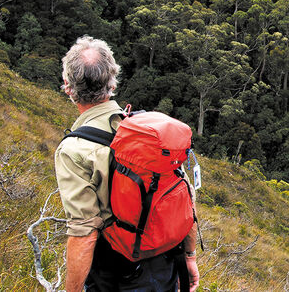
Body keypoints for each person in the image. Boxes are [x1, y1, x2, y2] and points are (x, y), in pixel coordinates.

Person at [54, 36, 200, 292]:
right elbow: (184, 194)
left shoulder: (73, 151)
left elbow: (84, 233)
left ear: (68, 86)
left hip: (116, 275)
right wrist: (189, 257)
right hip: (166, 266)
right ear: (112, 82)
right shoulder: (149, 132)